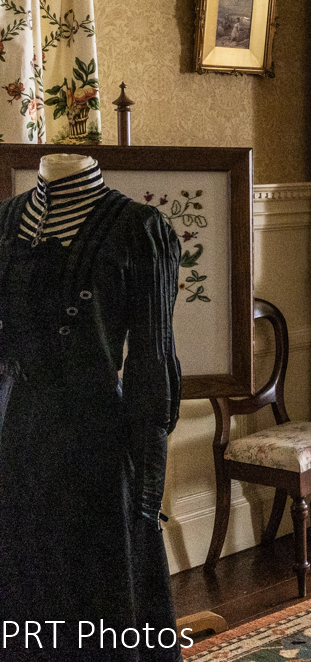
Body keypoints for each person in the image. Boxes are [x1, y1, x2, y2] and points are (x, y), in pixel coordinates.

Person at [0, 153, 183, 661]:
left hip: (94, 445)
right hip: (13, 437)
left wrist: (147, 494)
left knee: (99, 600)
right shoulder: (6, 220)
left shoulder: (140, 230)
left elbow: (151, 368)